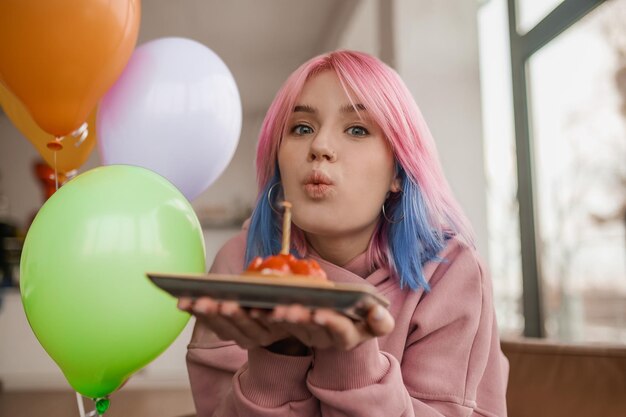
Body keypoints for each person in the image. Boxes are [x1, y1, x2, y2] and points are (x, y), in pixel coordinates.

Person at [178, 50, 509, 416]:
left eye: (357, 129)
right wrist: (277, 356)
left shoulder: (451, 272)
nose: (319, 147)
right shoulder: (240, 263)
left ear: (399, 171)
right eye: (302, 128)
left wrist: (351, 358)